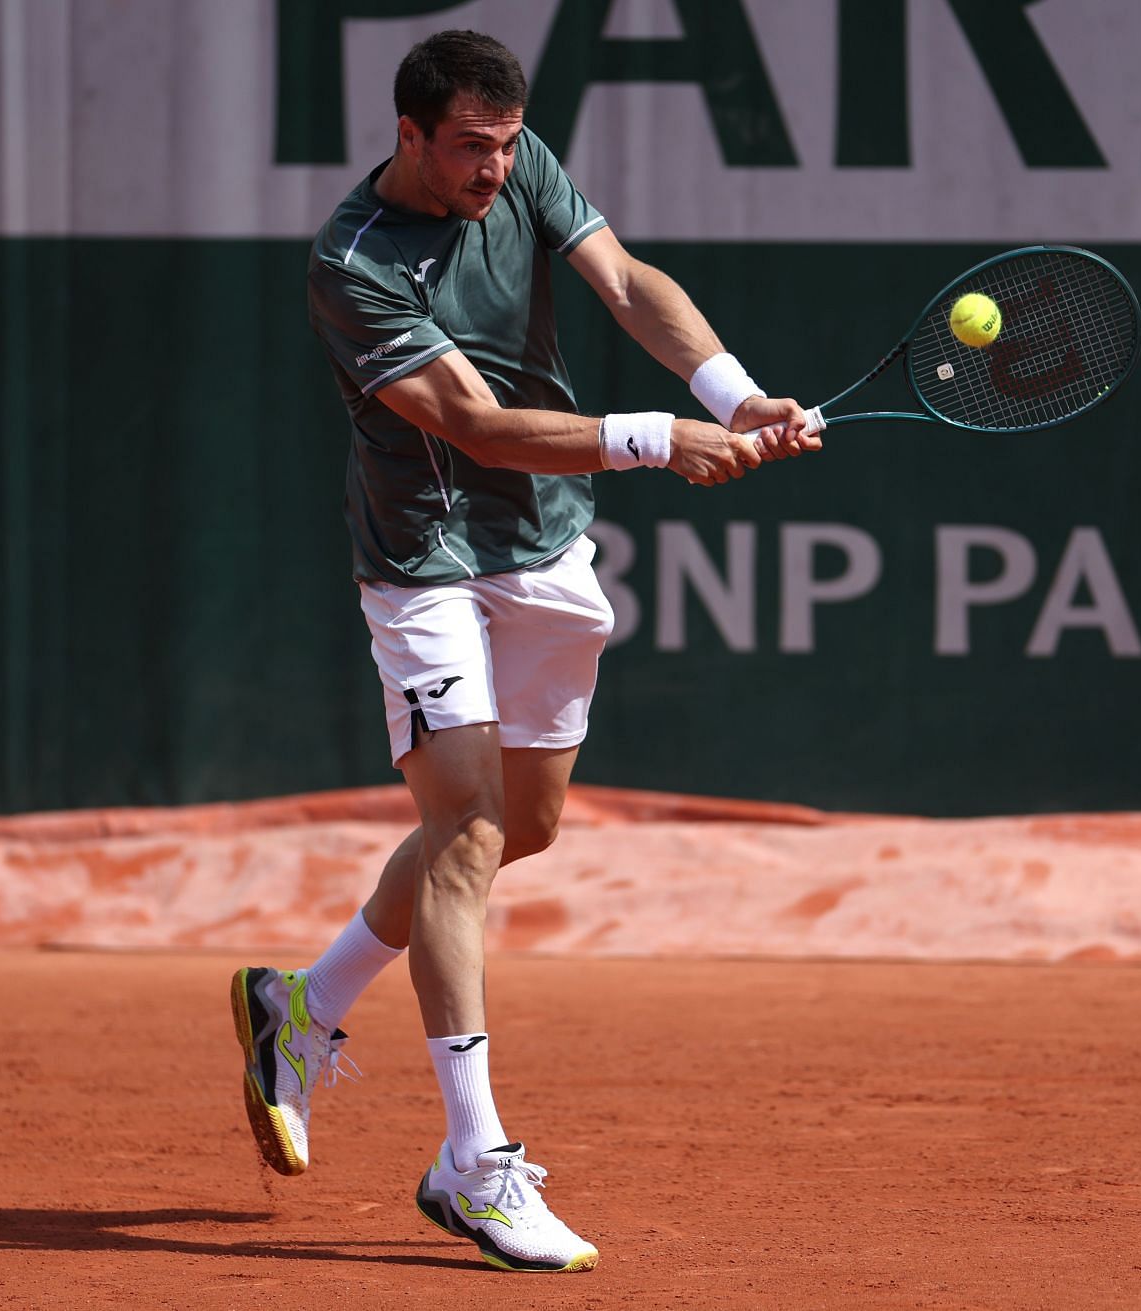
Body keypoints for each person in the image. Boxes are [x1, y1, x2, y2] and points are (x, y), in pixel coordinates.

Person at [231, 29, 815, 1274]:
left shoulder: (523, 160)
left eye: (505, 144)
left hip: (546, 547)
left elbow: (624, 279)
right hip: (425, 559)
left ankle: (304, 1005)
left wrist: (730, 393)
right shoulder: (353, 263)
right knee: (466, 833)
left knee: (525, 823)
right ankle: (473, 1161)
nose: (494, 168)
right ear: (409, 135)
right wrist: (658, 441)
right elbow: (476, 427)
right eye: (468, 149)